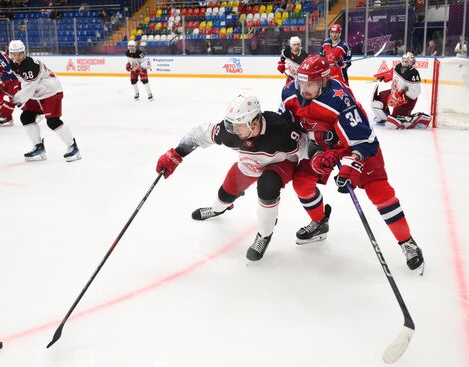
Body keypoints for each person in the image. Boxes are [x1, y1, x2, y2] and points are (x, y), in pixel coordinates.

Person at [279, 55, 424, 273]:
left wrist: (351, 164)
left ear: (324, 80)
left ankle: (407, 242)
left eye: (310, 84)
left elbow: (362, 138)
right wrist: (313, 151)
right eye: (301, 82)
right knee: (302, 183)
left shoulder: (339, 98)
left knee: (379, 191)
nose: (304, 89)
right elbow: (287, 126)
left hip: (357, 144)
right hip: (324, 148)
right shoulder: (290, 92)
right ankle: (320, 223)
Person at [155, 94, 326, 261]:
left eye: (239, 125)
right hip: (250, 163)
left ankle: (264, 235)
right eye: (231, 125)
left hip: (281, 163)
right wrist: (176, 154)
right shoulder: (230, 131)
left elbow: (305, 146)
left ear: (255, 121)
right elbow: (200, 134)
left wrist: (318, 157)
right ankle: (218, 208)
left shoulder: (281, 130)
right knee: (225, 193)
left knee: (267, 186)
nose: (233, 130)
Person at [7, 40, 81, 162]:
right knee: (26, 117)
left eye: (19, 53)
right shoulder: (15, 64)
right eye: (14, 54)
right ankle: (39, 147)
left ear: (24, 52)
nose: (17, 57)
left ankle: (73, 148)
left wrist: (12, 102)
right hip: (37, 94)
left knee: (52, 121)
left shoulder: (29, 65)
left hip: (50, 92)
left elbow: (28, 90)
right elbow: (17, 81)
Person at [372, 52, 431, 129]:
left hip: (406, 100)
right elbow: (394, 74)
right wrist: (386, 76)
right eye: (403, 61)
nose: (404, 63)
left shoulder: (414, 73)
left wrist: (403, 96)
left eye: (406, 61)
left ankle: (417, 118)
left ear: (411, 62)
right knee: (379, 98)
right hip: (394, 93)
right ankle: (383, 117)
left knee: (393, 122)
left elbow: (417, 91)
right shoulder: (398, 66)